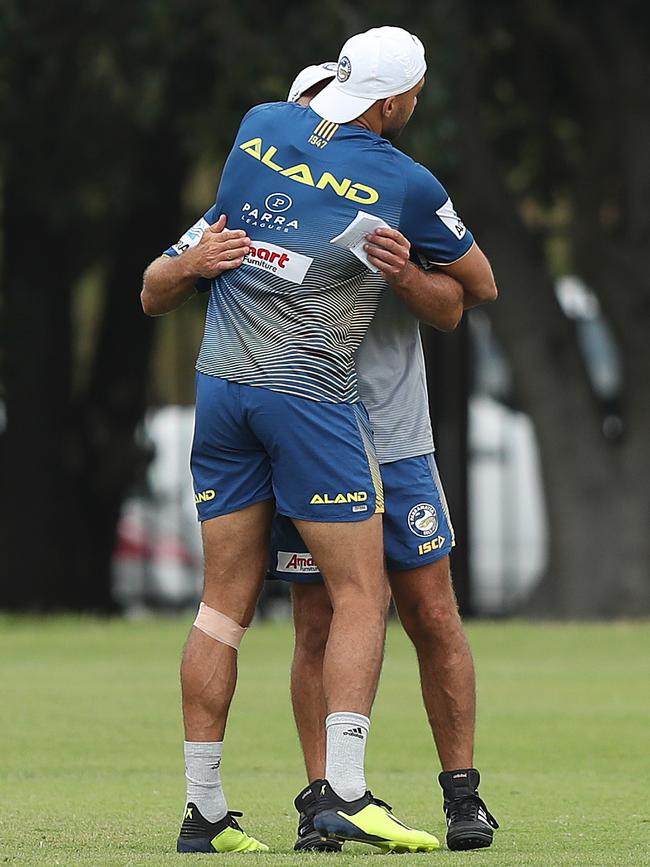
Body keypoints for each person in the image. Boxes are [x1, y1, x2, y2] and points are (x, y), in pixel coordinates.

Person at [141, 26, 494, 855]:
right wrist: (194, 263)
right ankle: (337, 793)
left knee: (247, 608)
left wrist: (405, 272)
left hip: (272, 405)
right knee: (344, 604)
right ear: (395, 101)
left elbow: (459, 301)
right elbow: (156, 287)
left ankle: (210, 812)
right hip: (313, 408)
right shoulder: (393, 177)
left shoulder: (260, 136)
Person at [271, 64, 499, 854]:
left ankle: (463, 796)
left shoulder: (394, 190)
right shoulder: (264, 185)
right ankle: (323, 801)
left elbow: (458, 303)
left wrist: (403, 270)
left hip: (395, 441)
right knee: (315, 622)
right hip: (304, 437)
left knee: (432, 613)